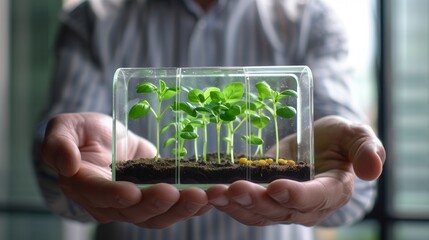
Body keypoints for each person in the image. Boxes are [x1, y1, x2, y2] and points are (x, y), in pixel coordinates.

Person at [33, 0, 386, 239]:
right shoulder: (93, 19)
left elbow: (355, 185)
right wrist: (66, 164)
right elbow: (54, 173)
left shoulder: (312, 20)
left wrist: (345, 165)